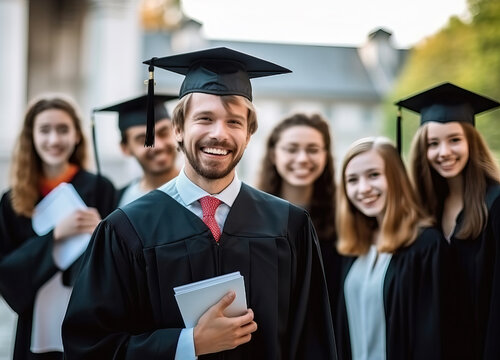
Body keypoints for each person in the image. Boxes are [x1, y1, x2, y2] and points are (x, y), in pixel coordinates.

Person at [62, 47, 336, 359]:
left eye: (234, 122)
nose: (219, 134)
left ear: (249, 134)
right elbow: (90, 347)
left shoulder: (289, 226)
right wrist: (186, 345)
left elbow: (314, 342)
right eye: (205, 119)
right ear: (177, 129)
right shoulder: (126, 229)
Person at [0, 95, 116, 360]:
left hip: (87, 319)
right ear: (31, 136)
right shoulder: (14, 199)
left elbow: (116, 259)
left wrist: (102, 234)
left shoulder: (101, 188)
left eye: (63, 129)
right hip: (36, 321)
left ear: (78, 136)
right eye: (44, 130)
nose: (54, 140)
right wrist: (55, 235)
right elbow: (1, 265)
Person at [402, 82, 500, 359]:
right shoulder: (424, 209)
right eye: (433, 143)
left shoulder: (495, 204)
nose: (443, 152)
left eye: (454, 140)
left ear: (472, 141)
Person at [335, 137, 443, 360]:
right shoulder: (356, 248)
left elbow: (432, 337)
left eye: (374, 175)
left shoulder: (425, 245)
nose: (363, 188)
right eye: (352, 180)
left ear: (396, 178)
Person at [257, 113, 340, 317]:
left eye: (313, 150)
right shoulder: (253, 216)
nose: (302, 159)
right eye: (291, 149)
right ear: (274, 155)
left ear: (325, 156)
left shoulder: (343, 217)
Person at [95, 94, 180, 206]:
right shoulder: (117, 202)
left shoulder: (202, 192)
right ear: (125, 148)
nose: (158, 146)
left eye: (163, 133)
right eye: (143, 140)